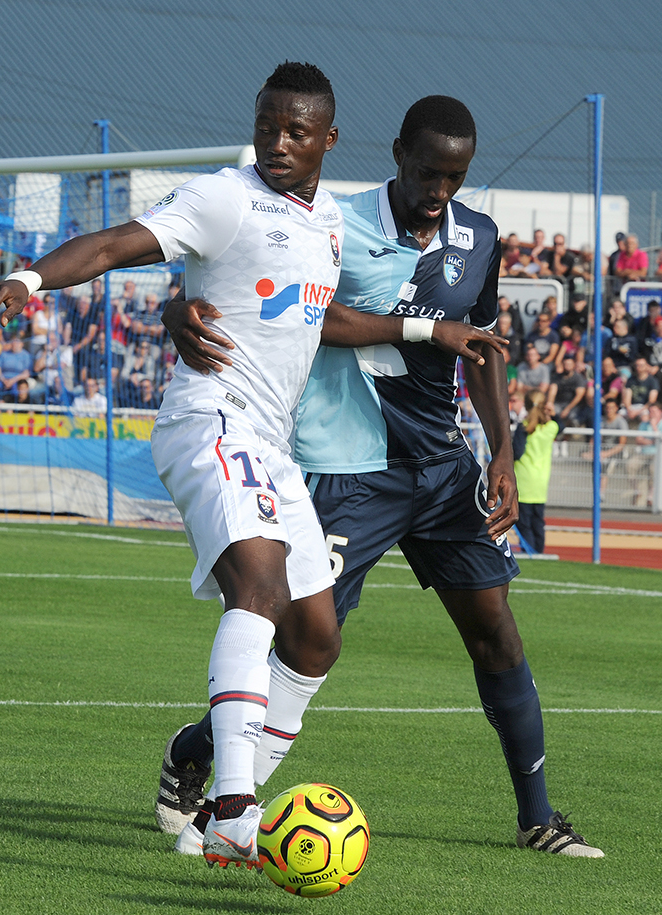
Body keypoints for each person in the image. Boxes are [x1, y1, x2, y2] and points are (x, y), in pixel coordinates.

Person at [0, 70, 506, 868]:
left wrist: (427, 332)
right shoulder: (225, 196)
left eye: (294, 131)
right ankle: (238, 811)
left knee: (316, 638)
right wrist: (30, 276)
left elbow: (325, 318)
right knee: (259, 585)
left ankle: (213, 815)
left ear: (328, 140)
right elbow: (117, 244)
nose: (276, 143)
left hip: (272, 443)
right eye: (266, 126)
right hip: (210, 419)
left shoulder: (326, 221)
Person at [162, 93, 600, 857]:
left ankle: (538, 817)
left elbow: (484, 346)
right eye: (428, 171)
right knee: (304, 640)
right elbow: (300, 309)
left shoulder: (479, 238)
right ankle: (199, 751)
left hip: (440, 466)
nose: (439, 190)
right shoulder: (337, 220)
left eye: (454, 177)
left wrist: (499, 450)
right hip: (343, 468)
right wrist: (179, 305)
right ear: (398, 153)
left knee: (495, 630)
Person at [513, 390, 561, 552]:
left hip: (523, 479)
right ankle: (539, 552)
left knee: (524, 522)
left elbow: (517, 453)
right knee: (538, 521)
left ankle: (529, 551)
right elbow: (561, 425)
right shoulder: (550, 428)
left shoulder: (524, 427)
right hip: (540, 482)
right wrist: (553, 413)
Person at [548, 353, 590, 428]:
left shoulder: (578, 378)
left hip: (573, 406)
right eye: (565, 364)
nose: (567, 366)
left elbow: (579, 395)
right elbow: (552, 391)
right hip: (558, 404)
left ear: (573, 365)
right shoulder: (556, 377)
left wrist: (567, 409)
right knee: (551, 413)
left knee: (573, 417)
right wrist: (550, 403)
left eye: (569, 364)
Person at [622, 356, 659, 422]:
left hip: (644, 407)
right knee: (619, 416)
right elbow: (627, 398)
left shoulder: (653, 381)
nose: (638, 368)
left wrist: (637, 412)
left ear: (646, 366)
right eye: (637, 365)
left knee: (645, 418)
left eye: (641, 365)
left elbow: (651, 401)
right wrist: (629, 410)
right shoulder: (630, 380)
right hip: (631, 407)